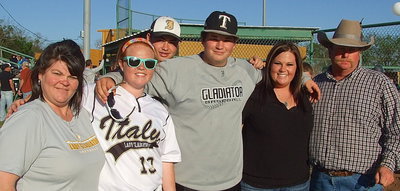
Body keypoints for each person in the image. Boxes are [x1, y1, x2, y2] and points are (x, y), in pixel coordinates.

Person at [96, 11, 321, 191]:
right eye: (214, 38)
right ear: (203, 39)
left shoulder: (244, 70)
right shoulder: (175, 70)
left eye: (226, 39)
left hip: (231, 180)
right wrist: (111, 77)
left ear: (235, 43)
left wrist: (304, 78)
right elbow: (138, 75)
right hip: (188, 181)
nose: (220, 45)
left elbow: (277, 73)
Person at [0, 40, 105, 190]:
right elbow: (3, 183)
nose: (65, 81)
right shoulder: (28, 119)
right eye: (57, 73)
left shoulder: (82, 115)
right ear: (41, 75)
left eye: (72, 76)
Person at [309, 19, 400, 190]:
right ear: (329, 51)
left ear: (359, 52)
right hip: (320, 179)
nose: (345, 54)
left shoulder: (379, 84)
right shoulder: (316, 84)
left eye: (351, 50)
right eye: (340, 48)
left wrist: (388, 164)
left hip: (363, 181)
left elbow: (397, 130)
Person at [83, 38, 181, 191]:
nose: (142, 67)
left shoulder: (160, 110)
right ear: (122, 64)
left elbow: (167, 160)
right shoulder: (95, 94)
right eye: (134, 61)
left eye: (149, 63)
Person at [241, 42, 313, 191]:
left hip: (298, 183)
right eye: (278, 63)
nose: (283, 69)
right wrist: (249, 63)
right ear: (269, 64)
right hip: (256, 184)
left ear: (297, 67)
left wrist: (306, 79)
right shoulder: (254, 93)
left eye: (289, 64)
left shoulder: (306, 95)